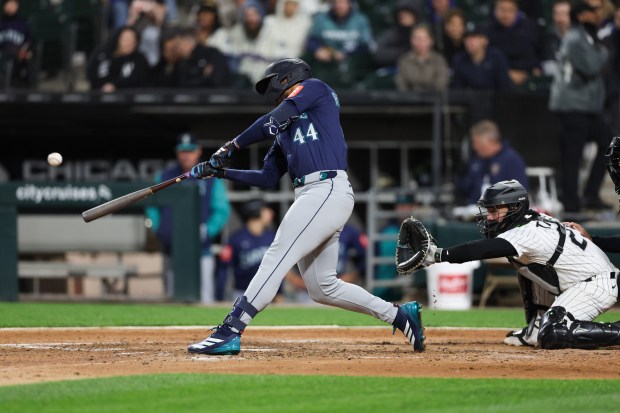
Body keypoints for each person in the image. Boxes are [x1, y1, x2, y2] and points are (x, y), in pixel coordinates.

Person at [187, 57, 425, 355]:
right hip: (312, 196)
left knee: (277, 253)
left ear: (287, 78)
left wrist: (231, 146)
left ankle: (231, 328)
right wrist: (220, 172)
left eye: (271, 83)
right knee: (322, 287)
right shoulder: (285, 131)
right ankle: (401, 315)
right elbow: (267, 177)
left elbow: (274, 119)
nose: (269, 91)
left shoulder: (315, 89)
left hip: (326, 188)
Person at [403, 179, 620, 349]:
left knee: (554, 332)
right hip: (583, 280)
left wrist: (439, 255)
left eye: (494, 210)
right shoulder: (533, 219)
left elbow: (484, 249)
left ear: (516, 207)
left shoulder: (528, 232)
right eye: (488, 211)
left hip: (596, 284)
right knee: (526, 265)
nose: (489, 217)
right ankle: (534, 330)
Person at [146, 132, 231, 302]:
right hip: (172, 250)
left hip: (201, 251)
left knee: (204, 299)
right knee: (173, 299)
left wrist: (208, 230)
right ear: (177, 152)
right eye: (183, 151)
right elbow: (152, 207)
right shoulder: (164, 177)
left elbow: (222, 210)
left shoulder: (210, 177)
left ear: (198, 151)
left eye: (190, 150)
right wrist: (161, 230)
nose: (186, 155)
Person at [548, 1, 610, 213]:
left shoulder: (586, 36)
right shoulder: (575, 38)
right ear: (582, 16)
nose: (597, 14)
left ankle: (590, 194)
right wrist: (603, 51)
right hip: (572, 106)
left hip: (586, 107)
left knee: (608, 144)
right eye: (592, 12)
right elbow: (592, 66)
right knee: (572, 156)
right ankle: (572, 204)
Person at [216, 199, 281, 301]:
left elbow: (277, 268)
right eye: (266, 209)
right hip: (241, 293)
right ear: (255, 211)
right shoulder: (235, 239)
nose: (271, 213)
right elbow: (223, 269)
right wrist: (219, 296)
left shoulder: (272, 237)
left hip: (266, 292)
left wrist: (279, 293)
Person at [454, 119, 528, 206]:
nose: (475, 147)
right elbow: (464, 189)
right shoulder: (476, 161)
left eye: (477, 143)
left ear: (489, 141)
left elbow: (520, 193)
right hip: (472, 211)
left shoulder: (511, 160)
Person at [304, 0, 374, 88]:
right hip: (327, 60)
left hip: (353, 61)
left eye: (342, 2)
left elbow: (366, 45)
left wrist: (346, 54)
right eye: (336, 2)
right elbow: (312, 40)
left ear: (350, 4)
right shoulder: (321, 18)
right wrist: (317, 49)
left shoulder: (360, 20)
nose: (339, 6)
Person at [485, 0, 543, 87]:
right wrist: (507, 73)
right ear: (495, 11)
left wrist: (533, 70)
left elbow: (537, 55)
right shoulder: (487, 32)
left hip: (528, 76)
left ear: (516, 11)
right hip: (498, 81)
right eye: (501, 10)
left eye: (510, 10)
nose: (505, 14)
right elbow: (488, 60)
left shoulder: (530, 29)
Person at [450, 24, 513, 92]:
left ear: (485, 40)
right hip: (467, 101)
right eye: (466, 38)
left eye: (474, 37)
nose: (469, 41)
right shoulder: (458, 59)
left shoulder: (496, 57)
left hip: (494, 100)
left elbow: (505, 87)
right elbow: (456, 90)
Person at [395, 23, 450, 92]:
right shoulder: (404, 60)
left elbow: (441, 83)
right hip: (410, 100)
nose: (420, 42)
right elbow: (401, 84)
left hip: (434, 99)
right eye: (416, 38)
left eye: (423, 39)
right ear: (411, 40)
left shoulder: (439, 60)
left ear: (431, 41)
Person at [97, 26, 151, 92]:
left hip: (130, 97)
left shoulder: (140, 58)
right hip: (99, 96)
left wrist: (114, 85)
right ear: (118, 40)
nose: (130, 43)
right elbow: (93, 73)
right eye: (126, 39)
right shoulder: (103, 54)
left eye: (133, 40)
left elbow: (136, 79)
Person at [373, 0, 421, 70]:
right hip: (396, 69)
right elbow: (378, 54)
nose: (404, 17)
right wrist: (403, 53)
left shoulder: (422, 31)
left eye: (408, 14)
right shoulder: (392, 33)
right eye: (402, 15)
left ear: (414, 16)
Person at [0, 0, 33, 88]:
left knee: (23, 55)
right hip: (3, 54)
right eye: (8, 4)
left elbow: (29, 41)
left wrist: (25, 51)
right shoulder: (1, 23)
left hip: (18, 55)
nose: (10, 7)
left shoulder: (23, 23)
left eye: (13, 4)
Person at [542, 0, 572, 78]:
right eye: (557, 14)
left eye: (564, 14)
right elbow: (548, 67)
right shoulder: (548, 39)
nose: (560, 18)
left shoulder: (581, 38)